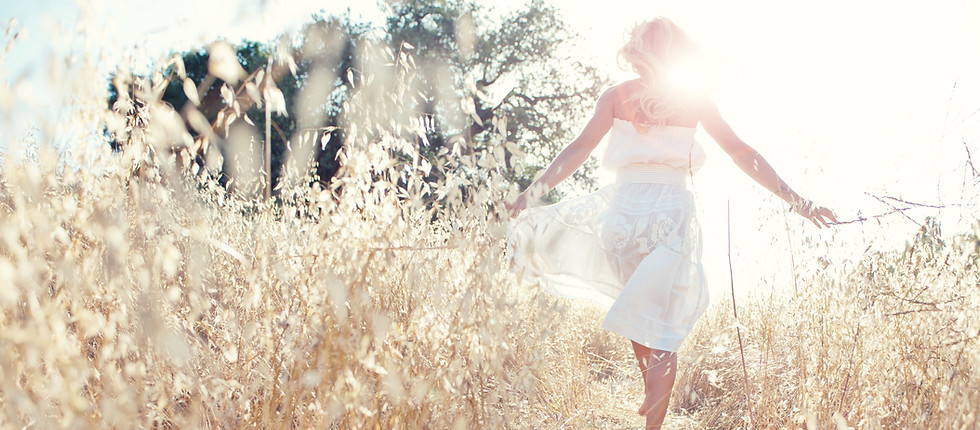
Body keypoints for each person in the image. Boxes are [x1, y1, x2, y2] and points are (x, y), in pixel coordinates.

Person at [505, 17, 837, 429]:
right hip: (670, 215)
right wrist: (796, 200)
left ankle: (652, 393)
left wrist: (529, 194)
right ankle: (655, 418)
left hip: (621, 214)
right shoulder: (694, 99)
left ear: (637, 50)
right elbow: (741, 152)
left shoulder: (616, 96)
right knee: (659, 325)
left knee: (637, 313)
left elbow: (579, 150)